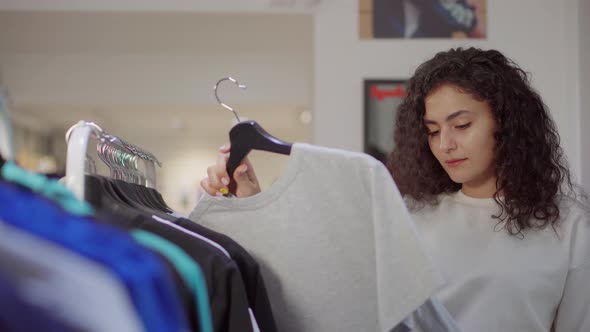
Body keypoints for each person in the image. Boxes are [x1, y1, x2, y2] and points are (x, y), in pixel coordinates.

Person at [199, 47, 590, 331]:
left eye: (462, 125)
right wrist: (251, 200)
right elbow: (324, 289)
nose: (445, 145)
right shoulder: (406, 213)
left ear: (506, 124)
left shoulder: (569, 227)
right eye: (432, 131)